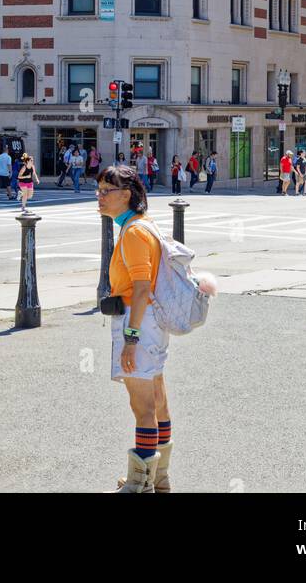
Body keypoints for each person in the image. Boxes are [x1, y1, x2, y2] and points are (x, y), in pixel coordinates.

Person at [97, 165, 173, 493]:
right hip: (150, 320)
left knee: (142, 407)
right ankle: (159, 476)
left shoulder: (133, 233)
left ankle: (140, 484)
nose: (99, 197)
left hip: (138, 320)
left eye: (105, 191)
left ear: (126, 195)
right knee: (156, 401)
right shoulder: (143, 226)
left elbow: (141, 288)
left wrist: (131, 339)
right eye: (98, 190)